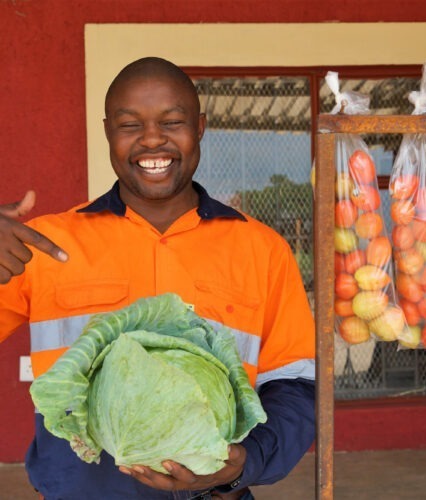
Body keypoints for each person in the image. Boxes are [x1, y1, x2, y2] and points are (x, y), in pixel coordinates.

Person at [0, 57, 316, 500]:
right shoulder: (44, 244)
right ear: (108, 131)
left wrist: (246, 461)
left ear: (200, 127)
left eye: (172, 121)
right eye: (131, 125)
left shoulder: (261, 249)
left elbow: (297, 383)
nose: (152, 139)